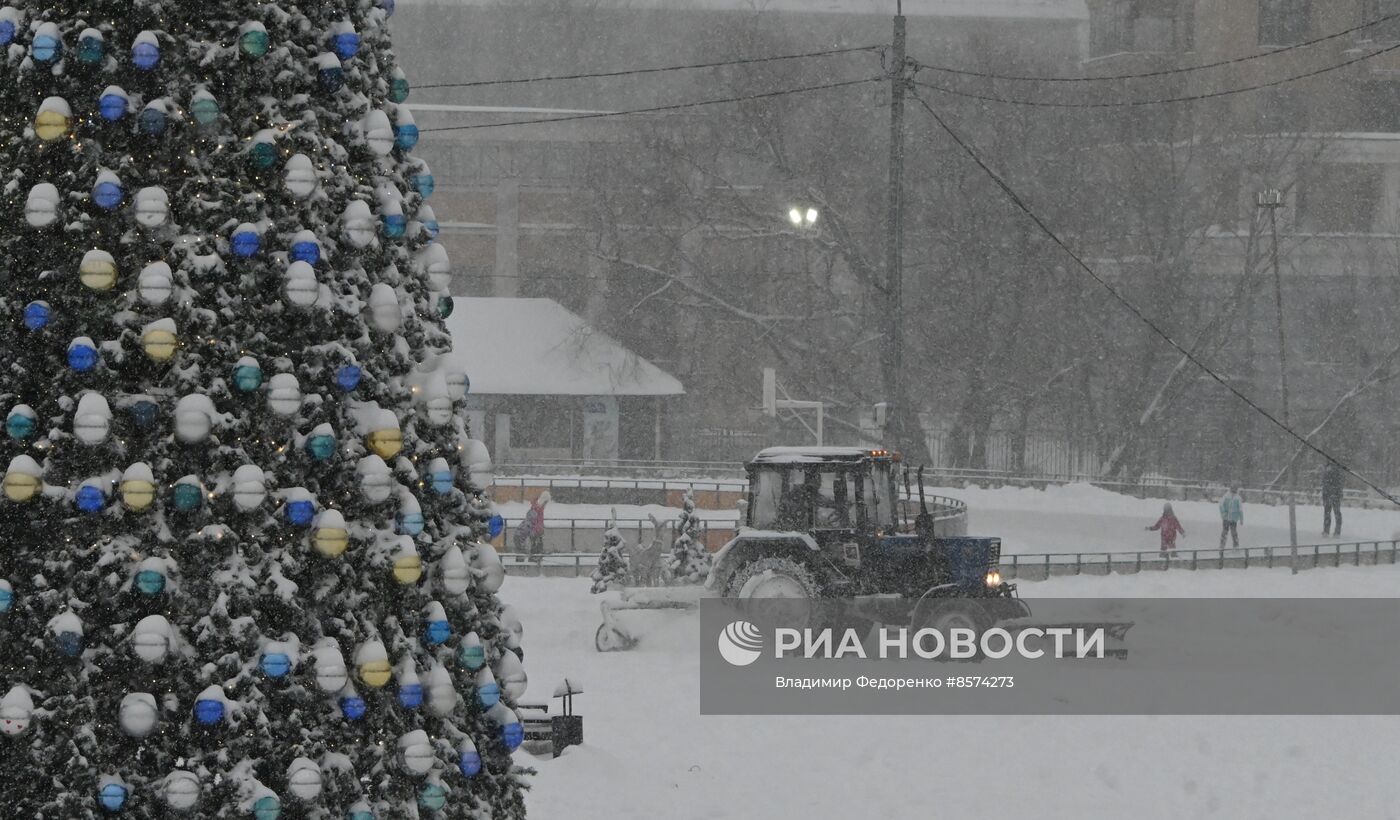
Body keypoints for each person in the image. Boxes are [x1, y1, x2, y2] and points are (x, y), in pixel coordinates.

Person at [1322, 461, 1343, 536]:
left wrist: (1324, 496)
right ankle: (1336, 531)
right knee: (1336, 513)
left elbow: (1325, 486)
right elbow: (1339, 485)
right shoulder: (1337, 472)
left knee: (1328, 513)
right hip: (1334, 496)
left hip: (1330, 496)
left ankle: (1327, 531)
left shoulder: (1327, 474)